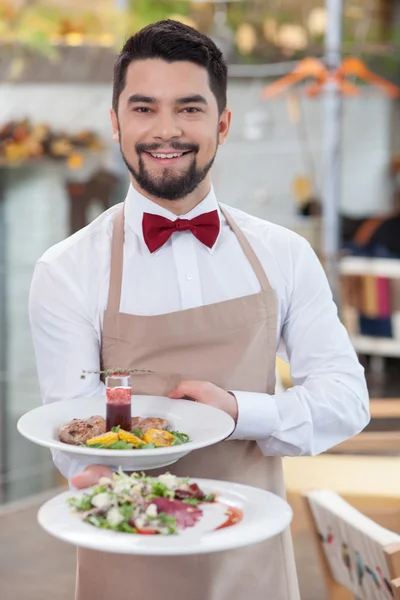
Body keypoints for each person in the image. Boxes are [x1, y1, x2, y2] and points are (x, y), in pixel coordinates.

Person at [29, 19, 370, 600]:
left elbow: (346, 398)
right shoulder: (66, 270)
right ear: (115, 124)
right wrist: (85, 472)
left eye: (189, 108)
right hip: (129, 556)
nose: (166, 130)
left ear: (223, 123)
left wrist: (241, 412)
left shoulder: (283, 253)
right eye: (143, 109)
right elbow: (73, 430)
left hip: (254, 558)